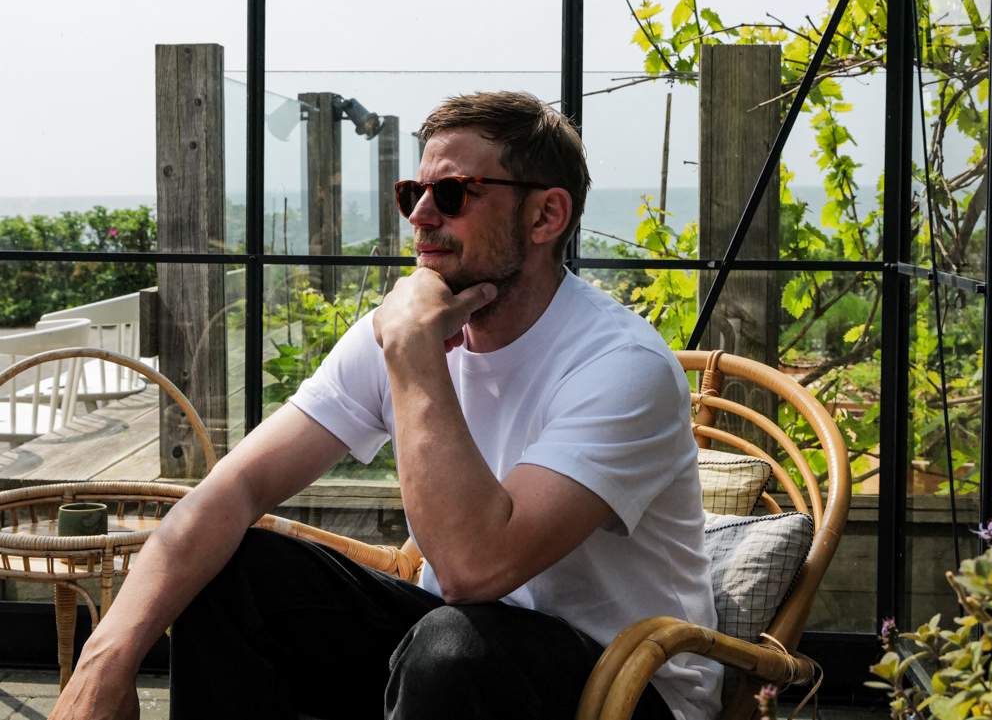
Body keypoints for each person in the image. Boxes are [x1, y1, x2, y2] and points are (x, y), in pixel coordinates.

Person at [48, 91, 721, 720]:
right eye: (412, 193)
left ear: (546, 215)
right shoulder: (407, 327)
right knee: (232, 572)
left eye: (453, 193)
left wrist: (413, 351)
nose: (421, 215)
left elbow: (474, 570)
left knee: (453, 647)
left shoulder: (620, 365)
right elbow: (233, 489)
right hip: (448, 652)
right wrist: (106, 658)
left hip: (622, 684)